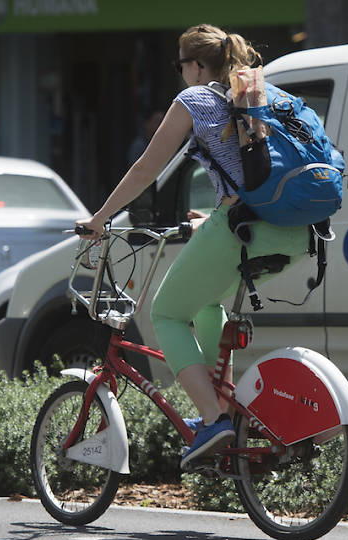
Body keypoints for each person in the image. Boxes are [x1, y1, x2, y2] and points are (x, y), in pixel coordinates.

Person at [77, 24, 310, 470]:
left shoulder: (195, 100)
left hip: (244, 228)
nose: (180, 72)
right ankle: (219, 400)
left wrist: (99, 219)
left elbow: (147, 168)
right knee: (204, 303)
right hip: (295, 230)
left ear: (198, 65)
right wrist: (217, 215)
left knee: (165, 312)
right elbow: (256, 172)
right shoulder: (258, 93)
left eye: (180, 64)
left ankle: (213, 416)